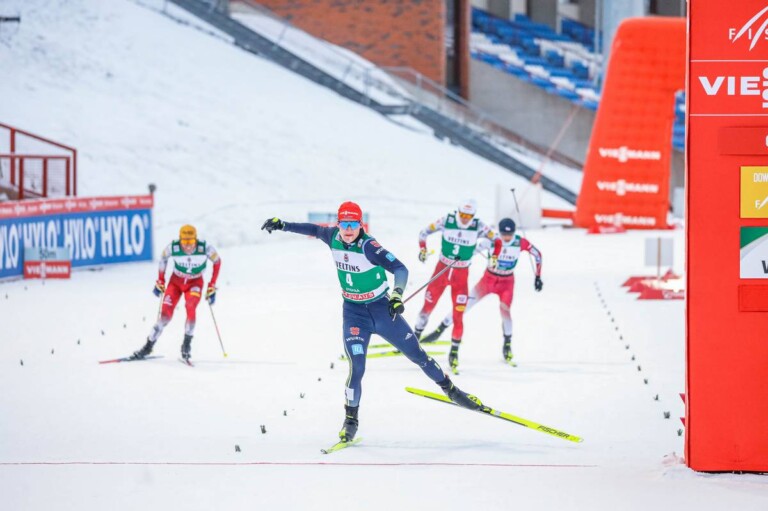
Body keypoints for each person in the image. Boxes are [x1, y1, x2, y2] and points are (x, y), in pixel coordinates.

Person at [261, 201, 481, 444]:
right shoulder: (332, 236)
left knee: (419, 356)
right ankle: (351, 420)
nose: (347, 229)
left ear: (360, 225)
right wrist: (283, 225)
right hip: (354, 314)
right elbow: (312, 229)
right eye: (343, 223)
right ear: (338, 223)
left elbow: (400, 268)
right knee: (357, 367)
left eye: (353, 224)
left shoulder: (369, 246)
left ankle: (452, 391)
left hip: (382, 311)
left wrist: (396, 295)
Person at [420, 218, 542, 364]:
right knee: (464, 304)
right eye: (503, 234)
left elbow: (537, 254)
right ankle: (440, 330)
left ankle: (507, 345)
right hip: (488, 280)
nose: (506, 237)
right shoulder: (492, 241)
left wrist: (537, 276)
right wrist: (459, 257)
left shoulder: (520, 242)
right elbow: (472, 251)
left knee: (505, 312)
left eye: (509, 234)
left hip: (506, 283)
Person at [413, 199, 501, 372]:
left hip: (461, 275)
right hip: (442, 270)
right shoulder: (447, 220)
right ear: (458, 212)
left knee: (458, 314)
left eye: (469, 215)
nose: (466, 218)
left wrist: (495, 256)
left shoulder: (478, 226)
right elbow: (423, 233)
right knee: (427, 306)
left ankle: (453, 353)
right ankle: (414, 340)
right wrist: (423, 249)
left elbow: (497, 240)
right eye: (463, 214)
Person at [132, 225, 221, 361]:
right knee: (165, 315)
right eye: (184, 242)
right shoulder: (173, 247)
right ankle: (148, 346)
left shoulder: (205, 248)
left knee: (190, 306)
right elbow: (163, 259)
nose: (188, 247)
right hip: (176, 282)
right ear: (179, 240)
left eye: (191, 242)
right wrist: (160, 281)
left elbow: (217, 261)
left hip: (195, 283)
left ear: (196, 240)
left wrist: (212, 285)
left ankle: (186, 345)